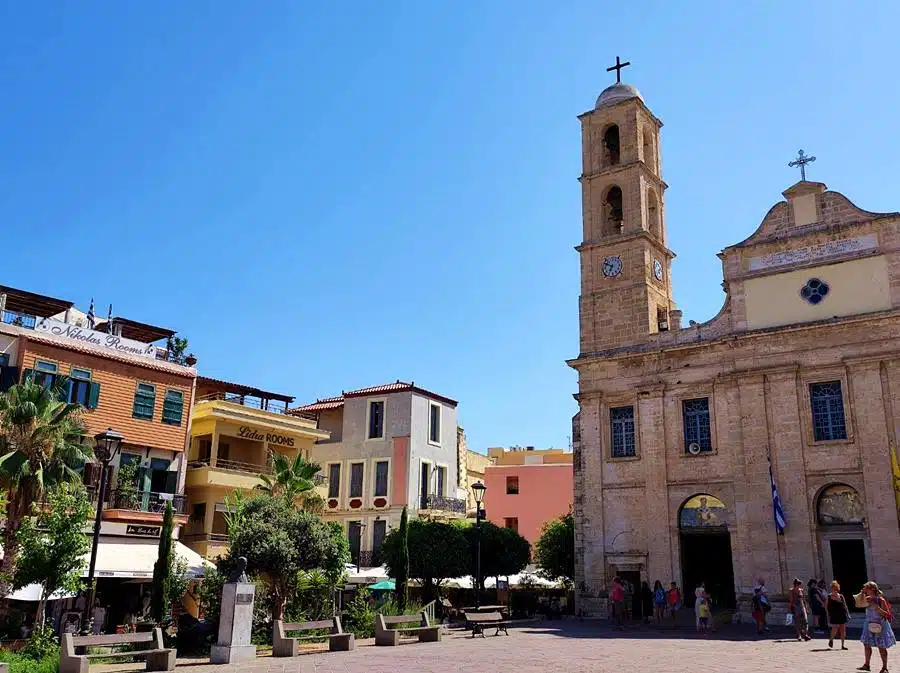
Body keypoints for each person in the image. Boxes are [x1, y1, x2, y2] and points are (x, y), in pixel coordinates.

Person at [858, 581, 895, 673]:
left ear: (873, 589)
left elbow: (886, 614)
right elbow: (858, 604)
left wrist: (876, 607)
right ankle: (867, 665)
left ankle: (884, 668)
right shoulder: (866, 599)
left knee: (881, 647)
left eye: (867, 588)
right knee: (866, 644)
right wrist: (861, 594)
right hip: (868, 624)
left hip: (880, 625)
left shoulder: (880, 600)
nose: (865, 590)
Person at [826, 580, 849, 650]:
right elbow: (826, 606)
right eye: (833, 588)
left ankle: (842, 645)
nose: (834, 590)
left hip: (842, 613)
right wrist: (828, 615)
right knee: (835, 628)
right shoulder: (829, 596)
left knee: (843, 629)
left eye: (836, 588)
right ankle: (831, 639)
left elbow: (845, 605)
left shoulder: (841, 596)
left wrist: (848, 613)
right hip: (834, 614)